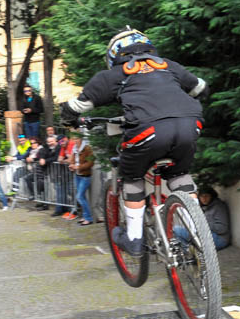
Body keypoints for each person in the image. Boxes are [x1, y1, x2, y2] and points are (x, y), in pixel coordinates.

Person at [60, 27, 208, 256]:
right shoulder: (168, 65)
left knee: (132, 177)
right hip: (191, 124)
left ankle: (135, 240)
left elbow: (75, 107)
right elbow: (200, 87)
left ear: (114, 54)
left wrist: (69, 122)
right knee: (179, 173)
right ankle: (198, 232)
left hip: (146, 129)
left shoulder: (114, 75)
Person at [67, 131, 95, 225]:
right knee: (81, 197)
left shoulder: (87, 148)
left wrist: (78, 167)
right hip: (77, 175)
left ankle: (88, 218)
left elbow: (90, 163)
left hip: (85, 176)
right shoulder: (75, 149)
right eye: (74, 139)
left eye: (77, 139)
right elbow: (72, 160)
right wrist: (71, 165)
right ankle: (85, 216)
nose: (75, 141)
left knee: (79, 197)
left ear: (81, 139)